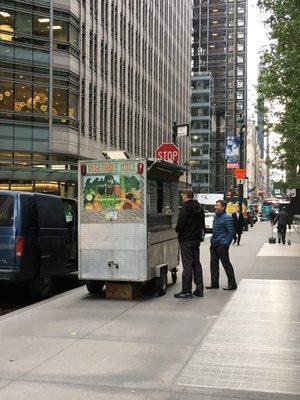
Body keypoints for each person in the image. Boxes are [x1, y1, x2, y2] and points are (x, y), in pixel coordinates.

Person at [174, 189, 205, 299]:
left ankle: (187, 291)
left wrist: (177, 230)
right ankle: (199, 289)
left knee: (187, 266)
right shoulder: (199, 207)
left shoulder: (185, 207)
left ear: (186, 196)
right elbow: (202, 224)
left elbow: (180, 224)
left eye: (183, 195)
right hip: (196, 240)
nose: (182, 196)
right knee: (196, 264)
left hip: (186, 240)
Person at [206, 200, 237, 291]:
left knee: (226, 264)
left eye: (217, 205)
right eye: (215, 205)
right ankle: (214, 283)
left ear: (223, 207)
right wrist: (212, 242)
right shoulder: (216, 217)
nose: (215, 207)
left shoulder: (227, 218)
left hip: (221, 245)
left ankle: (232, 284)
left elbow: (231, 232)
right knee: (213, 264)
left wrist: (225, 244)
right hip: (214, 244)